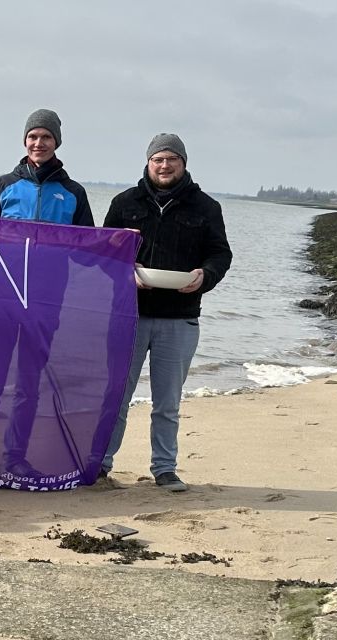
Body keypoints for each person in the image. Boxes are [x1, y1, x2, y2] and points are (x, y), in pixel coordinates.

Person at [101, 133, 232, 491]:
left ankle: (164, 467)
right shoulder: (124, 203)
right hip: (129, 316)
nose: (164, 165)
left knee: (167, 402)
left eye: (171, 159)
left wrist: (205, 276)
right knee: (116, 397)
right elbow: (103, 252)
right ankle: (101, 463)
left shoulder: (206, 207)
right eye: (158, 159)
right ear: (148, 162)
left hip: (180, 318)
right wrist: (125, 270)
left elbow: (221, 254)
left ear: (183, 164)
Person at [0, 108, 94, 480]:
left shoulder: (73, 193)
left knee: (28, 384)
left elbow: (87, 246)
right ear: (24, 141)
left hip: (45, 304)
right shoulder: (3, 186)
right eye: (33, 137)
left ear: (57, 142)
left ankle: (15, 458)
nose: (38, 143)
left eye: (46, 137)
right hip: (2, 303)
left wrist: (122, 250)